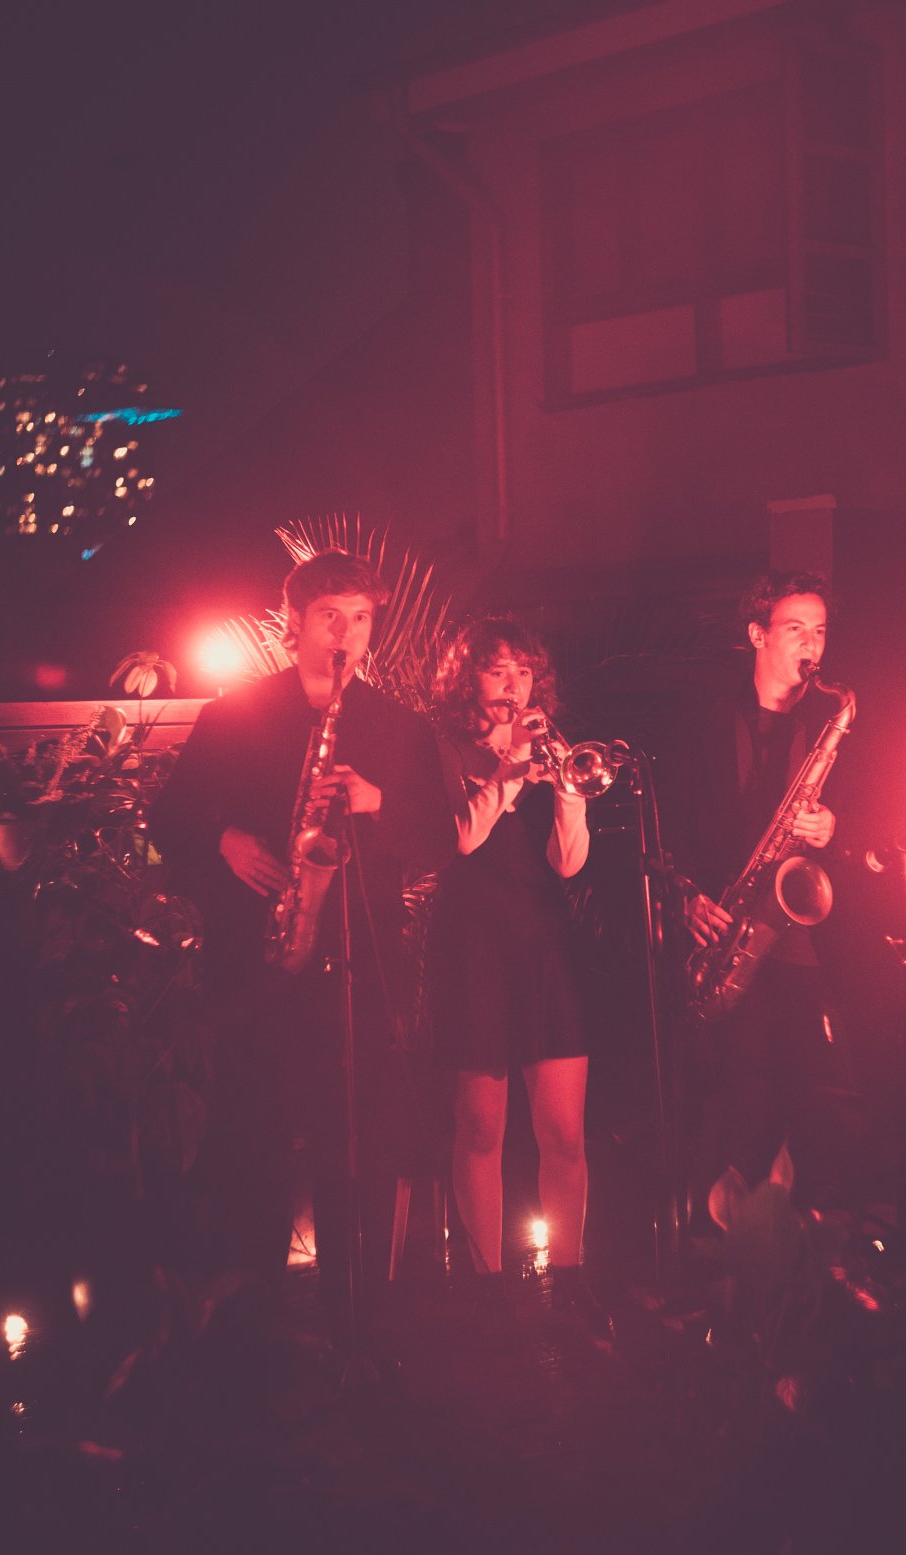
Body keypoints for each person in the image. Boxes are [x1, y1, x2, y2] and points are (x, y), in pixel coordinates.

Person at [147, 549, 455, 1338]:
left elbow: (439, 839)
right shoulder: (236, 714)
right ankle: (250, 1327)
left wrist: (377, 800)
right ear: (294, 623)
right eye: (329, 617)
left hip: (359, 963)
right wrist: (224, 841)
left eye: (361, 618)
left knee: (358, 1144)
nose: (346, 634)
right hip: (255, 963)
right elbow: (168, 818)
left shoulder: (398, 725)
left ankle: (361, 1318)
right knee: (252, 1140)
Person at [427, 616, 610, 1338]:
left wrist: (567, 792)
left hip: (543, 944)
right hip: (472, 942)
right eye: (498, 669)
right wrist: (507, 774)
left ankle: (570, 1277)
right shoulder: (447, 744)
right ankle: (486, 1287)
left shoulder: (549, 748)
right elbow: (461, 838)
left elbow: (569, 863)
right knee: (481, 1129)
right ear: (468, 676)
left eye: (524, 671)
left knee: (564, 1130)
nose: (514, 685)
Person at [656, 570, 856, 1218]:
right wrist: (686, 897)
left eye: (819, 630)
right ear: (757, 634)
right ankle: (728, 1235)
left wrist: (833, 829)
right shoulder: (703, 719)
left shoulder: (830, 723)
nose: (812, 644)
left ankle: (803, 1236)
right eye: (795, 628)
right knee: (744, 1102)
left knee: (818, 1096)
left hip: (797, 936)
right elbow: (668, 827)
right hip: (726, 931)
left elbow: (871, 823)